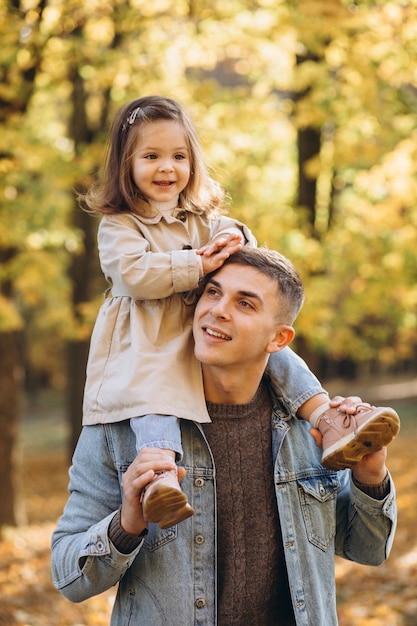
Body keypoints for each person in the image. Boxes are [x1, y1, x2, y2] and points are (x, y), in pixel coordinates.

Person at [80, 95, 399, 529]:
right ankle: (159, 478)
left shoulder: (195, 214)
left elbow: (229, 229)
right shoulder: (120, 224)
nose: (167, 168)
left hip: (198, 326)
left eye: (178, 157)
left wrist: (233, 236)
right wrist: (199, 264)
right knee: (154, 400)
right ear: (126, 165)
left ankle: (328, 419)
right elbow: (134, 275)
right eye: (151, 156)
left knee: (276, 352)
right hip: (150, 340)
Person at [51, 246, 397, 626]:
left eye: (245, 304)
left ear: (279, 339)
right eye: (212, 292)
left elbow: (369, 549)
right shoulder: (121, 430)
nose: (217, 309)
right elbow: (68, 577)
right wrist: (127, 524)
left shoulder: (313, 431)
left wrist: (370, 475)